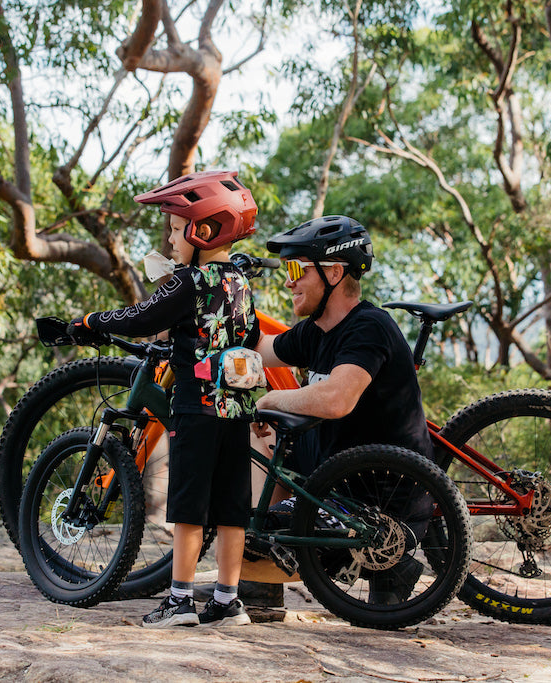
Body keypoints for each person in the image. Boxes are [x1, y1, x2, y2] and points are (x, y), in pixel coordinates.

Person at [70, 170, 261, 628]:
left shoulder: (188, 282)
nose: (172, 241)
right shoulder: (240, 281)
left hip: (196, 408)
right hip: (237, 408)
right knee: (232, 507)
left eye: (176, 230)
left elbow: (141, 317)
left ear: (203, 230)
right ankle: (228, 600)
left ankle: (179, 601)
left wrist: (93, 322)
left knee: (189, 506)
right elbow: (250, 336)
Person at [242, 214, 434, 608]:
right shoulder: (315, 332)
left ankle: (393, 566)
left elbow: (336, 399)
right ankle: (260, 589)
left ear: (333, 272)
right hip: (331, 480)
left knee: (258, 533)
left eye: (296, 268)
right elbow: (259, 351)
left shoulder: (369, 326)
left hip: (377, 502)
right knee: (245, 440)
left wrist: (270, 400)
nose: (287, 280)